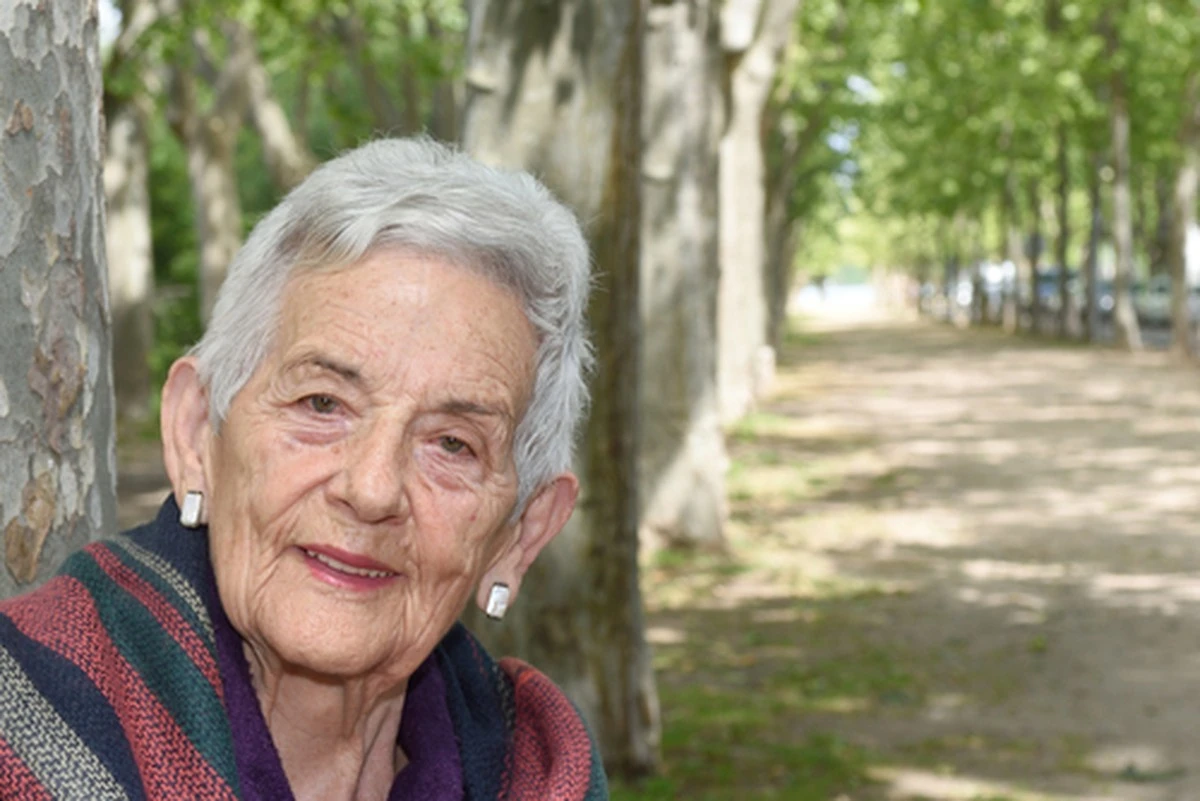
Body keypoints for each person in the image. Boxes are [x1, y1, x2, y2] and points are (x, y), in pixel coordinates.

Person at [0, 138, 608, 800]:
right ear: (197, 431)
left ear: (521, 535)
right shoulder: (22, 726)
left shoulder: (542, 772)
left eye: (453, 445)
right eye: (322, 403)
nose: (371, 488)